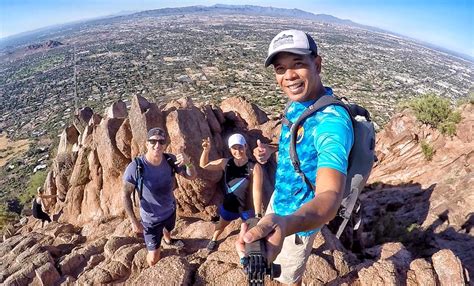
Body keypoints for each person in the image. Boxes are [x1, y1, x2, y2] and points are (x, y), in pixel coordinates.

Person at [235, 30, 354, 285]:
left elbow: (329, 197)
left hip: (297, 221)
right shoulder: (297, 103)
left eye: (298, 64)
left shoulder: (332, 123)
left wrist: (286, 224)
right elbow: (298, 142)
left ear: (317, 64)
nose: (288, 76)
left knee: (287, 279)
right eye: (281, 69)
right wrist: (272, 149)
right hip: (279, 203)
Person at [122, 127, 197, 267]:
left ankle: (168, 240)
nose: (157, 145)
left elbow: (191, 176)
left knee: (168, 229)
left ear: (165, 144)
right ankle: (152, 268)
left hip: (170, 210)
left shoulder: (170, 160)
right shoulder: (136, 167)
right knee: (153, 258)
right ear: (147, 144)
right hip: (151, 220)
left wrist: (188, 163)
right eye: (153, 141)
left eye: (161, 142)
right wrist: (133, 221)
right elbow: (125, 194)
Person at [200, 133, 263, 251]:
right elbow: (204, 165)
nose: (238, 151)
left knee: (248, 232)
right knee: (220, 226)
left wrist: (258, 214)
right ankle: (213, 239)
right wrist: (206, 150)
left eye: (240, 147)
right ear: (230, 149)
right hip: (229, 205)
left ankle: (245, 251)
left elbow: (257, 191)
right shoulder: (226, 163)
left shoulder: (254, 167)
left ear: (245, 147)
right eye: (234, 148)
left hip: (247, 208)